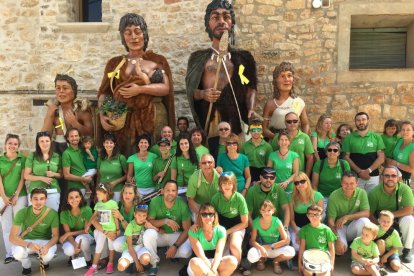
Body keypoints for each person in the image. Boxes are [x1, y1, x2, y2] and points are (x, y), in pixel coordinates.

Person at [97, 13, 175, 156]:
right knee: (126, 156)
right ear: (123, 37)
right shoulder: (114, 63)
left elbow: (165, 88)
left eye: (137, 32)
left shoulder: (157, 60)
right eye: (128, 33)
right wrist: (102, 115)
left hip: (153, 116)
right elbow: (105, 92)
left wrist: (140, 89)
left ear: (144, 34)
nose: (133, 37)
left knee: (154, 152)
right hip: (122, 120)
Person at [186, 0, 257, 137]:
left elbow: (250, 87)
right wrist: (203, 94)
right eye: (215, 17)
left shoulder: (244, 57)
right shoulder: (197, 58)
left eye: (226, 17)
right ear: (208, 23)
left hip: (237, 117)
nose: (221, 21)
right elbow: (191, 90)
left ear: (232, 22)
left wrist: (251, 108)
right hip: (211, 118)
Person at [143, 180, 192, 275]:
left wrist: (175, 246)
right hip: (159, 234)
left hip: (175, 235)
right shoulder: (155, 201)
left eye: (173, 190)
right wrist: (165, 221)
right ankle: (154, 262)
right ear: (162, 191)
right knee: (148, 234)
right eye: (168, 190)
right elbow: (150, 222)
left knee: (186, 252)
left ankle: (170, 252)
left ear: (177, 192)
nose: (170, 193)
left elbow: (187, 229)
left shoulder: (182, 204)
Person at [368, 166, 414, 263]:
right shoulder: (374, 192)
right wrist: (379, 226)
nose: (390, 178)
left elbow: (409, 210)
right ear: (382, 177)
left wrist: (389, 217)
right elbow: (370, 213)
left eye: (393, 176)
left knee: (409, 219)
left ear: (398, 178)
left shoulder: (405, 189)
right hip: (380, 222)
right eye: (387, 175)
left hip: (397, 218)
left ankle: (407, 249)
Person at [9, 188, 59, 276]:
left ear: (46, 200)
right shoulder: (22, 212)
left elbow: (55, 236)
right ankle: (26, 266)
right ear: (30, 200)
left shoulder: (53, 213)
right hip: (27, 240)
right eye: (35, 199)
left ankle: (45, 262)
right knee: (17, 253)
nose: (38, 202)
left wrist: (46, 247)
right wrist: (29, 245)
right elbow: (12, 237)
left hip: (44, 241)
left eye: (42, 199)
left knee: (47, 255)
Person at [42, 74, 94, 154]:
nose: (61, 91)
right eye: (58, 88)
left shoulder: (81, 110)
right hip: (57, 149)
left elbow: (90, 135)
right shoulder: (53, 110)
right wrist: (49, 115)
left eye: (65, 88)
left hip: (77, 150)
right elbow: (44, 135)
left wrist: (75, 123)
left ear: (73, 90)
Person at [187, 203, 238, 276]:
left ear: (215, 216)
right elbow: (201, 256)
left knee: (233, 261)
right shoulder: (193, 231)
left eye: (211, 214)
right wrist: (213, 272)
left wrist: (214, 269)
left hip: (215, 262)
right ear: (200, 216)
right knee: (194, 262)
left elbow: (218, 253)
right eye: (204, 214)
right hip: (200, 263)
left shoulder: (221, 230)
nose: (208, 217)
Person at [262, 61, 309, 139]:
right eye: (282, 76)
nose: (286, 79)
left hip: (295, 141)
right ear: (276, 81)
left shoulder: (299, 102)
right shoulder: (270, 104)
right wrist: (279, 139)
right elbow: (264, 129)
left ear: (293, 79)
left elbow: (305, 124)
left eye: (289, 75)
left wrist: (304, 139)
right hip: (276, 142)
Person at [327, 171, 370, 255]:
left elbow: (366, 213)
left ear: (357, 183)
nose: (348, 186)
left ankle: (359, 250)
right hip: (339, 228)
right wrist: (337, 239)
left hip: (353, 226)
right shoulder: (334, 195)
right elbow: (330, 221)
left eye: (352, 183)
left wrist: (347, 217)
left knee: (365, 221)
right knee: (339, 251)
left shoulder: (362, 193)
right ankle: (346, 244)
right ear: (341, 183)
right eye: (345, 183)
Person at [210, 172, 248, 266]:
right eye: (224, 183)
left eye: (230, 183)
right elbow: (213, 218)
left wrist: (227, 232)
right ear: (220, 185)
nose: (227, 186)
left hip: (237, 226)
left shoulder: (239, 198)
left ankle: (238, 265)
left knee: (234, 245)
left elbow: (245, 223)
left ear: (234, 184)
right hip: (221, 226)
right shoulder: (216, 198)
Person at [247, 200, 295, 274]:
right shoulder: (256, 222)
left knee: (291, 251)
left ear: (273, 210)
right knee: (251, 255)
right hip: (262, 248)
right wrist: (261, 248)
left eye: (269, 210)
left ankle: (276, 261)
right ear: (260, 211)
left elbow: (286, 240)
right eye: (263, 210)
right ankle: (262, 259)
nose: (266, 213)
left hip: (275, 247)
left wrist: (271, 246)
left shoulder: (277, 221)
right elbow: (252, 241)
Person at [0, 134, 27, 264]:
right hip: (2, 197)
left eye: (15, 144)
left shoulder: (22, 159)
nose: (12, 146)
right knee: (6, 226)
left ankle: (19, 252)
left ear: (18, 146)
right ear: (5, 144)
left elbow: (22, 178)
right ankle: (10, 254)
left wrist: (16, 195)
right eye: (10, 143)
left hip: (20, 197)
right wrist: (4, 197)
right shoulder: (0, 160)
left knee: (19, 225)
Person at [342, 112, 385, 192]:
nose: (361, 122)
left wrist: (368, 171)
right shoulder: (349, 138)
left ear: (368, 121)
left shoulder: (376, 137)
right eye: (358, 120)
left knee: (372, 201)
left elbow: (381, 158)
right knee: (356, 201)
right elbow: (346, 157)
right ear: (355, 122)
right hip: (355, 177)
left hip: (373, 177)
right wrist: (359, 171)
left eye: (363, 119)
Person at [84, 183, 119, 275]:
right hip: (101, 230)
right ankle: (94, 267)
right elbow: (94, 216)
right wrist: (88, 225)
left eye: (99, 193)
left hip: (112, 229)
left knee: (111, 248)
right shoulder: (98, 204)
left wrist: (118, 229)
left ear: (106, 193)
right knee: (98, 247)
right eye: (97, 193)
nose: (97, 195)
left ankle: (110, 263)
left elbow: (115, 217)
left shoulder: (113, 203)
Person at [24, 131, 62, 211]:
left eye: (47, 141)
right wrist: (42, 178)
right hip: (35, 192)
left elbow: (61, 174)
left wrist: (54, 174)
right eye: (42, 141)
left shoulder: (56, 156)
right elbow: (26, 176)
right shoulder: (32, 156)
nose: (45, 143)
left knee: (52, 217)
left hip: (53, 191)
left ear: (50, 142)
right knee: (34, 218)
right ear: (38, 143)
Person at [271, 112, 314, 177]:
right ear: (285, 122)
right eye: (289, 121)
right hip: (280, 176)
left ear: (298, 122)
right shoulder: (277, 137)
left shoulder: (305, 137)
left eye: (295, 121)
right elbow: (272, 156)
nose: (292, 123)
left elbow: (310, 158)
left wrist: (306, 176)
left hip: (298, 178)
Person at [289, 172, 324, 251]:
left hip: (313, 225)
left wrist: (308, 232)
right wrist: (298, 233)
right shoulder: (291, 197)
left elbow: (319, 218)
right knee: (298, 247)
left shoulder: (318, 196)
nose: (300, 184)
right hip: (297, 227)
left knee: (313, 246)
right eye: (297, 183)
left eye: (302, 181)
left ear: (307, 181)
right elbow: (291, 220)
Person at [298, 205, 336, 276]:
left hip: (323, 257)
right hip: (310, 257)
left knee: (324, 274)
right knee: (307, 273)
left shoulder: (327, 230)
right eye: (311, 215)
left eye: (317, 215)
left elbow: (331, 249)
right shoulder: (304, 229)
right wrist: (299, 263)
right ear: (307, 216)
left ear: (321, 216)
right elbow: (302, 247)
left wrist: (331, 264)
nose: (314, 217)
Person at [117, 204, 156, 273]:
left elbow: (159, 231)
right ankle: (134, 264)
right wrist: (137, 262)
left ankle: (141, 265)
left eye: (144, 216)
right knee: (121, 267)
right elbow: (129, 247)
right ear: (135, 214)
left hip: (141, 248)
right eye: (139, 215)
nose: (142, 218)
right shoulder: (130, 226)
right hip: (130, 249)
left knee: (145, 259)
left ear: (146, 216)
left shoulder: (146, 224)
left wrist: (151, 226)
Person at [59, 188, 94, 266]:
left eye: (76, 197)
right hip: (72, 237)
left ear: (81, 198)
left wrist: (68, 234)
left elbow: (85, 231)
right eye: (71, 197)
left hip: (87, 235)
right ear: (67, 200)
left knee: (80, 239)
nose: (74, 199)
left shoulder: (87, 209)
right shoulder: (64, 212)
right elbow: (67, 232)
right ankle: (73, 257)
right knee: (68, 250)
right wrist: (75, 245)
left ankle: (88, 259)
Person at [312, 142, 350, 210]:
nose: (332, 152)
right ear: (326, 152)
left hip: (339, 196)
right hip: (323, 196)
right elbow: (314, 185)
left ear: (338, 153)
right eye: (329, 150)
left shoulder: (344, 164)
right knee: (322, 216)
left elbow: (348, 182)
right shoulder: (319, 164)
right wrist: (317, 200)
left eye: (335, 150)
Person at [187, 154, 220, 220]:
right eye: (204, 163)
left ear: (214, 164)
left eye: (209, 162)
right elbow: (190, 199)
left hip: (215, 206)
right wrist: (201, 214)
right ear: (200, 165)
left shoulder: (220, 177)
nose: (207, 165)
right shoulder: (194, 178)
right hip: (199, 206)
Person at [97, 133, 127, 202]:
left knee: (115, 211)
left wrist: (116, 182)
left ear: (114, 144)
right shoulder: (100, 158)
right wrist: (97, 189)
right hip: (102, 190)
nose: (108, 145)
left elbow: (127, 175)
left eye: (111, 143)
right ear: (103, 144)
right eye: (106, 142)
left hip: (117, 190)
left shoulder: (121, 158)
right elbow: (98, 175)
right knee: (103, 211)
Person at [267, 130, 299, 194]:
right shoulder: (272, 155)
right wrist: (275, 185)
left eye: (286, 140)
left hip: (289, 189)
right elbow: (268, 172)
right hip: (275, 188)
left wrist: (286, 182)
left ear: (289, 142)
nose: (284, 142)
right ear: (278, 142)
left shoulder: (294, 155)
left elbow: (296, 173)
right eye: (281, 140)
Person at [62, 128, 92, 194]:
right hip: (75, 188)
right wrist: (83, 179)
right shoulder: (66, 153)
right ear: (67, 138)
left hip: (88, 187)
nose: (74, 138)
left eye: (76, 136)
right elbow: (66, 175)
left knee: (87, 204)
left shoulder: (84, 150)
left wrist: (90, 176)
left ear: (79, 137)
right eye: (71, 136)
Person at [112, 184, 139, 254]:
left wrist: (121, 217)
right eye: (125, 193)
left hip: (134, 235)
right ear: (122, 194)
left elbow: (132, 230)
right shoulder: (119, 204)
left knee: (117, 244)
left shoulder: (138, 207)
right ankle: (106, 258)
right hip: (121, 232)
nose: (127, 195)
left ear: (135, 195)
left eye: (130, 193)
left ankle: (129, 257)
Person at [387, 121, 414, 185]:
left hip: (403, 180)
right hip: (392, 178)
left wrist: (396, 164)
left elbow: (412, 169)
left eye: (408, 130)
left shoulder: (412, 147)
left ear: (413, 132)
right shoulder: (400, 140)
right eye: (403, 129)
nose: (405, 132)